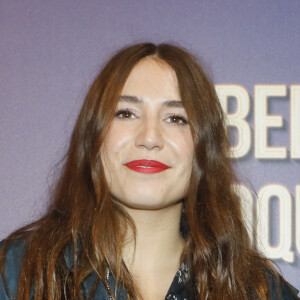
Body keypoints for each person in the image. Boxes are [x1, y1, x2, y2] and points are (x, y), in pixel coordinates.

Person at [0, 43, 298, 300]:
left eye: (176, 118)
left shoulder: (256, 290)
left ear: (204, 146)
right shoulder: (16, 273)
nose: (150, 137)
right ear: (92, 136)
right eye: (126, 113)